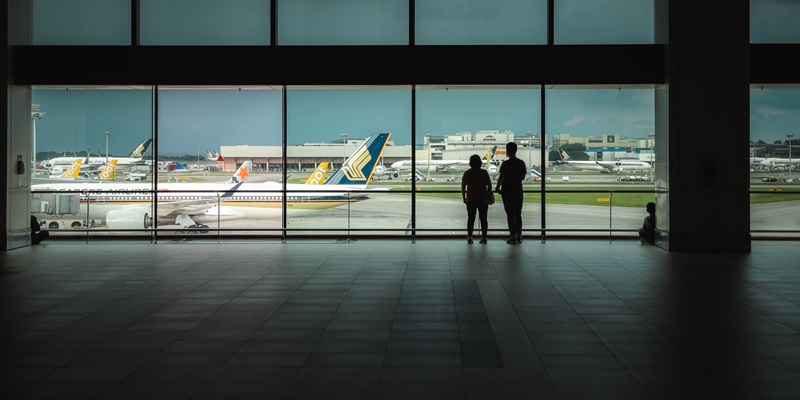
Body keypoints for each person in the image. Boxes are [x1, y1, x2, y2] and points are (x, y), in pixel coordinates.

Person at [495, 142, 527, 244]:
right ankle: (519, 235)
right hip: (518, 189)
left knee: (510, 214)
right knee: (518, 214)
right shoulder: (521, 163)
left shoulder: (506, 164)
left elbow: (502, 177)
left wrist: (497, 187)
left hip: (507, 190)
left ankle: (513, 236)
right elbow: (523, 177)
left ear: (507, 151)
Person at [461, 154, 492, 244]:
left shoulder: (467, 173)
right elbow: (489, 185)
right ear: (480, 162)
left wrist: (464, 198)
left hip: (471, 199)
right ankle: (484, 237)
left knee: (471, 219)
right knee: (483, 219)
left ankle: (470, 237)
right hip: (482, 199)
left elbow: (463, 187)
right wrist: (488, 194)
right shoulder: (484, 172)